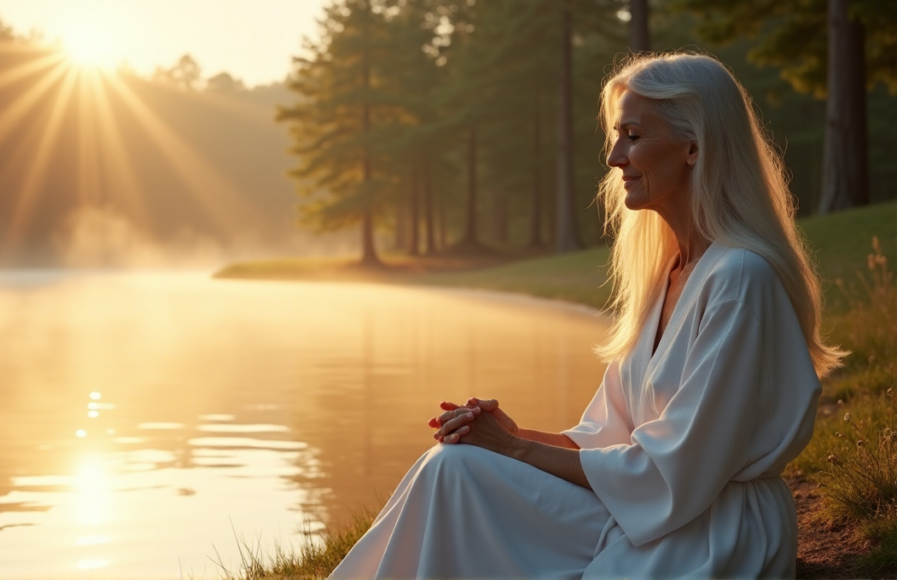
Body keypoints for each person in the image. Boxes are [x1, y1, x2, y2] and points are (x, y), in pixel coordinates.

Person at [327, 52, 846, 580]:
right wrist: (510, 434)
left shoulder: (739, 278)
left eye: (635, 136)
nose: (615, 156)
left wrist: (514, 449)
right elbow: (607, 437)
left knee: (457, 475)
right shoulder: (667, 273)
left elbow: (674, 473)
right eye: (617, 136)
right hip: (646, 513)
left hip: (711, 534)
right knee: (453, 467)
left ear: (694, 147)